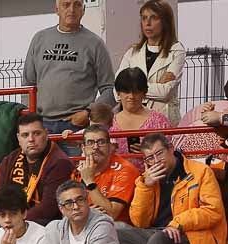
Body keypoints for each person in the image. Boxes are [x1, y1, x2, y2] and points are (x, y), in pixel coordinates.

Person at [120, 133, 226, 244]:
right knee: (114, 232)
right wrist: (145, 187)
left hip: (192, 233)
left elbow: (213, 212)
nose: (156, 161)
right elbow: (140, 222)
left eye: (159, 153)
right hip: (156, 231)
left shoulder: (200, 172)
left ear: (171, 149)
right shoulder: (146, 179)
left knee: (160, 238)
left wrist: (178, 223)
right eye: (150, 158)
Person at [22, 0, 115, 140]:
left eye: (77, 4)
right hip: (42, 126)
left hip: (76, 127)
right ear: (57, 9)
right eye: (66, 4)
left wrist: (88, 113)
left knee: (76, 163)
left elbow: (109, 89)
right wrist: (30, 119)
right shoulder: (40, 39)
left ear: (83, 10)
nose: (72, 9)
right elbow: (28, 84)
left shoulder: (95, 44)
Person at [0, 114, 77, 226]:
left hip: (46, 224)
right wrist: (6, 219)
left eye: (36, 133)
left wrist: (16, 221)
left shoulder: (59, 163)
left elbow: (48, 208)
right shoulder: (9, 160)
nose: (31, 139)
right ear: (18, 138)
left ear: (46, 134)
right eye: (25, 135)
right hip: (11, 220)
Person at [117, 0, 185, 120]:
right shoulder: (132, 52)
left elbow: (166, 92)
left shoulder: (176, 51)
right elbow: (117, 90)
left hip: (164, 118)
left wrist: (130, 89)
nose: (147, 23)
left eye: (154, 18)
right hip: (134, 118)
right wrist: (155, 86)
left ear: (165, 22)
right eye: (144, 18)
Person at [71, 124, 140, 225]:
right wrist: (87, 212)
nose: (95, 147)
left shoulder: (125, 170)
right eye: (90, 143)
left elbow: (111, 215)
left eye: (101, 142)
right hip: (87, 224)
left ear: (110, 146)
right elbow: (68, 210)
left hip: (118, 229)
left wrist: (89, 182)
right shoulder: (78, 172)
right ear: (83, 148)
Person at [110, 68, 173, 156]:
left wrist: (149, 154)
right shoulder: (109, 123)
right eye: (126, 91)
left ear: (144, 92)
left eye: (136, 92)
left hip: (155, 169)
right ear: (118, 93)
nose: (131, 96)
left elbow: (170, 153)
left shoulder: (160, 121)